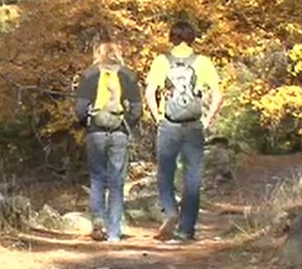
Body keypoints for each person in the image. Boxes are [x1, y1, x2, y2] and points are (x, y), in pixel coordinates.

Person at [145, 21, 223, 242]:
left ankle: (170, 211)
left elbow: (150, 92)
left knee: (164, 173)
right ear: (192, 39)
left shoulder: (161, 61)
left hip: (169, 124)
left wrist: (157, 117)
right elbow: (218, 94)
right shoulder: (203, 62)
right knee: (193, 177)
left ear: (172, 38)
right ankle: (186, 229)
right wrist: (207, 119)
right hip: (194, 126)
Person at [74, 33, 142, 243]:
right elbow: (137, 108)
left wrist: (87, 122)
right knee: (117, 181)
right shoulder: (128, 75)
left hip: (96, 132)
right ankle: (114, 232)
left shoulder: (89, 75)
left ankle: (98, 222)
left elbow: (80, 109)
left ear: (98, 54)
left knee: (96, 178)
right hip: (119, 132)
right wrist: (127, 121)